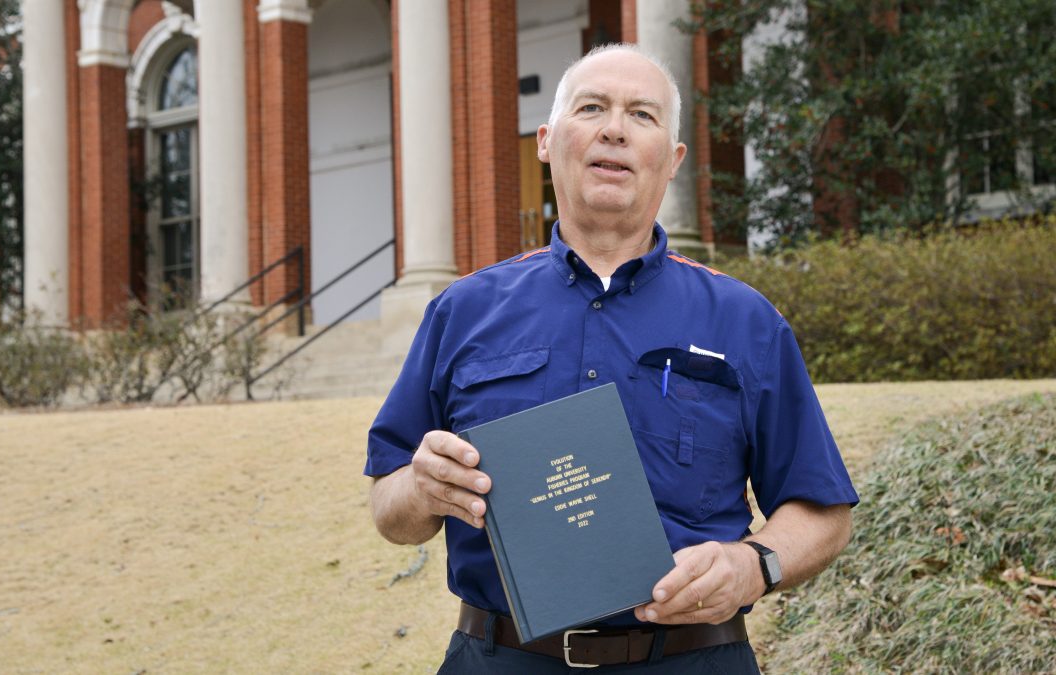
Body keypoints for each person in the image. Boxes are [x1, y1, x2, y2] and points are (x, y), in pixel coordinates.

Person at [365, 43, 857, 673]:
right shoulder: (462, 312)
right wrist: (423, 487)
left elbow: (824, 512)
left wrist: (753, 564)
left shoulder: (746, 321)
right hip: (500, 657)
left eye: (643, 115)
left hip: (691, 659)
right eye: (591, 107)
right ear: (546, 140)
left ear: (674, 159)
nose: (614, 129)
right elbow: (391, 510)